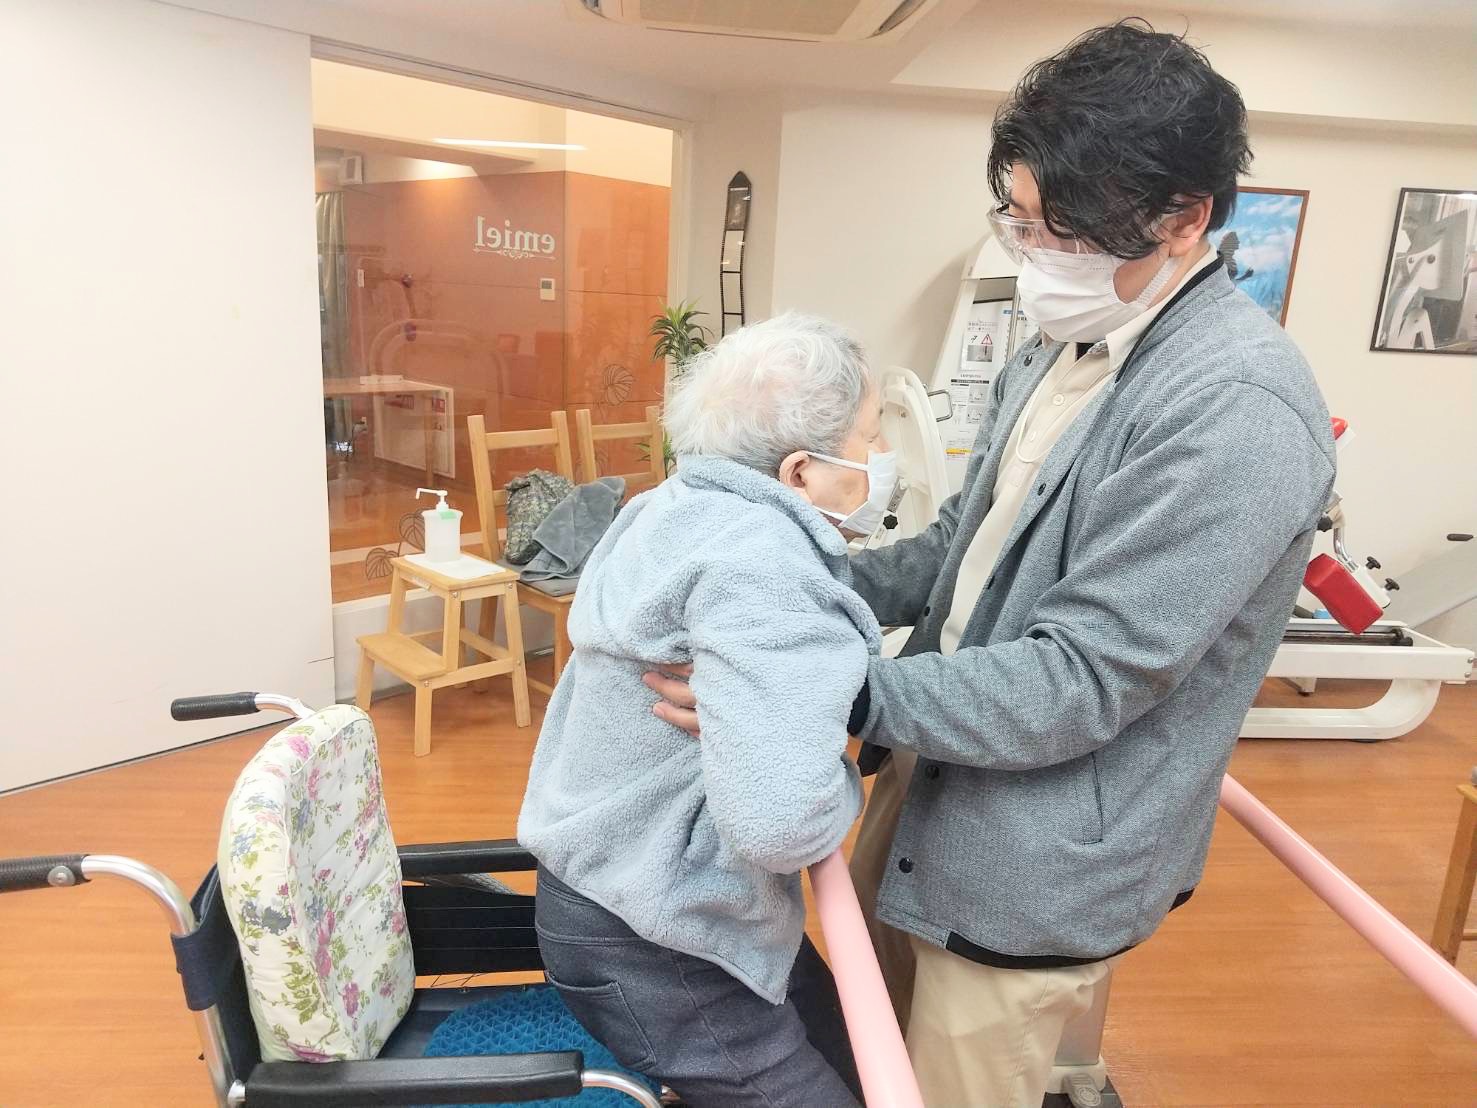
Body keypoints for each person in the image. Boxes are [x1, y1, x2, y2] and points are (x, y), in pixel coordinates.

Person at [645, 21, 1336, 1107]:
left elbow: (1082, 678)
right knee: (868, 1041)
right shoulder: (1061, 347)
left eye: (1061, 230)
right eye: (1016, 220)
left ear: (1182, 218)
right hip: (932, 767)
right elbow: (956, 548)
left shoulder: (1232, 409)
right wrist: (787, 579)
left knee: (949, 1080)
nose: (1033, 253)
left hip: (1033, 852)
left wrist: (813, 683)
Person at [518, 313, 897, 1107]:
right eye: (869, 436)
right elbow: (782, 825)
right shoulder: (760, 566)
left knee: (855, 1053)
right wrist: (833, 768)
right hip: (655, 934)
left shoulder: (667, 507)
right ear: (800, 471)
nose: (880, 455)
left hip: (606, 889)